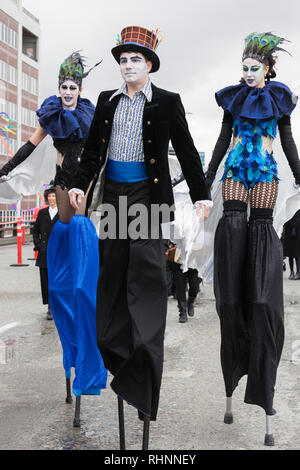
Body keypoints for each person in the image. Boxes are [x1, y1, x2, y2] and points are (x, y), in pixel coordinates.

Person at [69, 25, 211, 449]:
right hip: (115, 198)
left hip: (149, 199)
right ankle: (120, 360)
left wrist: (202, 196)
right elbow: (94, 149)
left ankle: (145, 374)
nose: (127, 66)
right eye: (122, 60)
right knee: (112, 279)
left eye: (135, 60)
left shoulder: (167, 102)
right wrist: (79, 183)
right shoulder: (108, 102)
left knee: (147, 280)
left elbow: (186, 150)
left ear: (149, 64)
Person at [0, 51, 107, 426]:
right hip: (64, 191)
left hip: (89, 191)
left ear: (80, 89)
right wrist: (4, 170)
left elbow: (105, 151)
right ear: (58, 88)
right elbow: (30, 146)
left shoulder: (92, 116)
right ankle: (70, 356)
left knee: (82, 288)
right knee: (66, 287)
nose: (66, 92)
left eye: (72, 87)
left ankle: (89, 355)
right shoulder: (52, 115)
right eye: (62, 86)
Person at [205, 32, 300, 446]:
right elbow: (222, 143)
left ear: (268, 70)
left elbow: (289, 142)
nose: (246, 75)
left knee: (260, 233)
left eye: (253, 69)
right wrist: (203, 182)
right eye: (243, 68)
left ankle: (258, 286)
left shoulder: (279, 99)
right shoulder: (233, 100)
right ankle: (232, 283)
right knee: (233, 227)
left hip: (263, 173)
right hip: (234, 173)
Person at [33, 187, 59, 320]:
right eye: (49, 196)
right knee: (46, 280)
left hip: (59, 253)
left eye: (54, 196)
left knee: (58, 280)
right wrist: (38, 245)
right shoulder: (42, 213)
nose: (51, 199)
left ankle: (58, 306)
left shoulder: (63, 214)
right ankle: (50, 307)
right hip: (44, 252)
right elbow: (35, 230)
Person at [281, 209, 300, 279]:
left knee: (297, 256)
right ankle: (292, 272)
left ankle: (298, 273)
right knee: (291, 256)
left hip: (297, 236)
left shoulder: (298, 210)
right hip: (289, 236)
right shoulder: (288, 210)